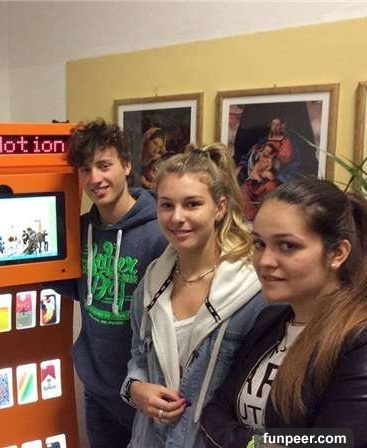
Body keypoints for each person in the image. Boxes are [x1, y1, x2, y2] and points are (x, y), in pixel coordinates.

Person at [200, 178, 367, 448]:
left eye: (287, 246)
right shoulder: (270, 321)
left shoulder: (362, 343)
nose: (265, 261)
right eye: (259, 244)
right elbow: (214, 413)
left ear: (337, 253)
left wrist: (244, 441)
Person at [121, 143, 267, 448]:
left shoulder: (254, 291)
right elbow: (138, 354)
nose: (177, 217)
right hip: (149, 439)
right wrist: (135, 387)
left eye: (192, 204)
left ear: (220, 207)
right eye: (166, 205)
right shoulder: (151, 283)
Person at [66, 118, 168, 447]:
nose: (95, 178)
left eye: (104, 165)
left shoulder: (160, 232)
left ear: (126, 166)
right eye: (85, 169)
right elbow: (65, 283)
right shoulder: (79, 231)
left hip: (145, 391)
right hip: (97, 387)